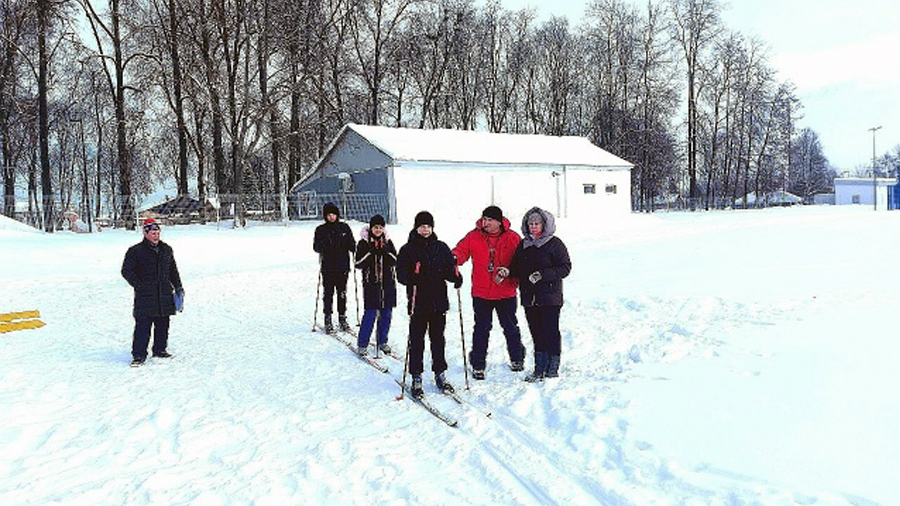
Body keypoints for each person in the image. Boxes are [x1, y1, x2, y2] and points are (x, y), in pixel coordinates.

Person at [452, 205, 525, 380]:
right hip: (481, 292)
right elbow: (461, 251)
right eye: (484, 219)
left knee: (510, 327)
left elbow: (523, 260)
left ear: (499, 222)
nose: (485, 222)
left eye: (490, 220)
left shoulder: (513, 237)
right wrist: (454, 258)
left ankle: (517, 358)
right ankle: (478, 364)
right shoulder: (473, 236)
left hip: (505, 291)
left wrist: (513, 272)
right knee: (481, 328)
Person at [396, 211, 463, 398]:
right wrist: (411, 277)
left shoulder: (441, 247)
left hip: (438, 302)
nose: (425, 230)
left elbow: (450, 269)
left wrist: (456, 277)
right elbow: (400, 274)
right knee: (417, 340)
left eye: (428, 226)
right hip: (418, 302)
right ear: (416, 228)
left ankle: (440, 373)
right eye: (422, 226)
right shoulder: (408, 249)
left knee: (438, 339)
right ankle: (416, 376)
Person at [499, 207, 571, 382]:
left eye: (537, 223)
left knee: (550, 331)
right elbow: (517, 267)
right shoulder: (524, 245)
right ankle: (539, 368)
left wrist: (543, 275)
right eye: (530, 223)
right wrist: (507, 272)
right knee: (536, 332)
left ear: (544, 225)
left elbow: (565, 267)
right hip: (529, 297)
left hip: (550, 297)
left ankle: (552, 367)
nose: (533, 227)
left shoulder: (555, 243)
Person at [121, 218, 184, 367]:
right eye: (153, 232)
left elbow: (172, 270)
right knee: (143, 326)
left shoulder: (166, 249)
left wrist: (178, 287)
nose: (156, 235)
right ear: (145, 233)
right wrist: (139, 285)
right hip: (145, 295)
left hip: (164, 293)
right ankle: (138, 355)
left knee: (163, 324)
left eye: (157, 232)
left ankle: (160, 350)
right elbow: (126, 271)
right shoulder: (135, 251)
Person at [354, 214, 397, 356]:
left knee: (386, 314)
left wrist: (385, 252)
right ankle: (362, 344)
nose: (378, 230)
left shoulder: (388, 242)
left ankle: (382, 341)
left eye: (380, 227)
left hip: (388, 284)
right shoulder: (363, 243)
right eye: (375, 227)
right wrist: (370, 253)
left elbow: (396, 260)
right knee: (370, 314)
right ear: (371, 228)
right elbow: (358, 263)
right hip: (371, 284)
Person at [313, 202, 356, 333]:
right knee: (328, 293)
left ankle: (342, 317)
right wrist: (322, 246)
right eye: (329, 215)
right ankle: (328, 318)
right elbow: (316, 247)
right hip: (328, 267)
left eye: (334, 215)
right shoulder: (321, 230)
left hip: (342, 266)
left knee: (342, 293)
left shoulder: (344, 228)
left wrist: (354, 247)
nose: (332, 217)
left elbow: (352, 243)